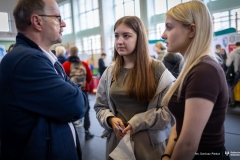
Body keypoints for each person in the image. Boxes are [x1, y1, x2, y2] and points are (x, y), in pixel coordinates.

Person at [0, 0, 87, 159]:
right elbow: (77, 104)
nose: (64, 24)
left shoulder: (41, 58)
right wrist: (75, 91)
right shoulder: (27, 61)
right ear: (37, 21)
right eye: (58, 18)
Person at [94, 16, 175, 160]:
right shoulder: (110, 72)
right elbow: (100, 107)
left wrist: (138, 121)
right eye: (116, 36)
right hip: (117, 146)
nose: (119, 41)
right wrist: (110, 119)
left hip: (148, 147)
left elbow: (170, 112)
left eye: (126, 36)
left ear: (139, 38)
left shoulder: (157, 69)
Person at [160, 1, 229, 160]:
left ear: (191, 30)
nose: (163, 35)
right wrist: (166, 154)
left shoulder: (204, 71)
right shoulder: (194, 68)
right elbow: (181, 123)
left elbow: (188, 144)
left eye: (169, 27)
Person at [62, 46, 94, 140]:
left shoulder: (65, 65)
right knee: (86, 111)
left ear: (70, 53)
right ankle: (87, 133)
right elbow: (89, 77)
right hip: (84, 90)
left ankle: (72, 135)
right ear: (77, 53)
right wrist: (84, 86)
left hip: (70, 92)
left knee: (70, 112)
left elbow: (62, 80)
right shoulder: (84, 64)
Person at [226, 42, 240, 107]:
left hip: (236, 72)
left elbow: (228, 64)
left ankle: (232, 103)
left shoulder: (233, 53)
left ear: (235, 46)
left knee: (230, 87)